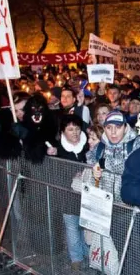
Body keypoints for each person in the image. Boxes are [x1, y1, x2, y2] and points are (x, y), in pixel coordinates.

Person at [47, 114, 90, 271]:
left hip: (87, 195)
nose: (75, 132)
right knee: (72, 228)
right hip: (67, 195)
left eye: (77, 129)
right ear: (63, 132)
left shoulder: (88, 145)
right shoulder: (57, 149)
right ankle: (76, 258)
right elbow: (54, 172)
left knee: (86, 227)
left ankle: (88, 254)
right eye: (70, 129)